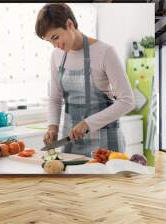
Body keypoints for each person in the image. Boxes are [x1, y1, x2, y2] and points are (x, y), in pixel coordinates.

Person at [35, 3, 135, 157]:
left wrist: (88, 123)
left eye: (56, 37)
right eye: (50, 41)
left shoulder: (105, 52)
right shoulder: (56, 56)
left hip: (106, 143)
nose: (55, 45)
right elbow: (55, 98)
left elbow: (127, 101)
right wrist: (52, 127)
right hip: (71, 142)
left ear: (69, 24)